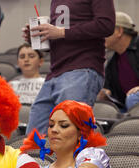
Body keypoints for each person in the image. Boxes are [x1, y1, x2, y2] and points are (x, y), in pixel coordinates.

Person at [23, 0, 115, 135]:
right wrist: (41, 37)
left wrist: (61, 32)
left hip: (81, 67)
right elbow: (62, 35)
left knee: (68, 137)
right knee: (33, 140)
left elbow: (105, 25)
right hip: (55, 72)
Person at [98, 12, 139, 112]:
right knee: (104, 108)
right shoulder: (112, 59)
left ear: (119, 31)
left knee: (133, 98)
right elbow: (109, 88)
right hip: (125, 106)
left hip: (133, 100)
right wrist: (106, 93)